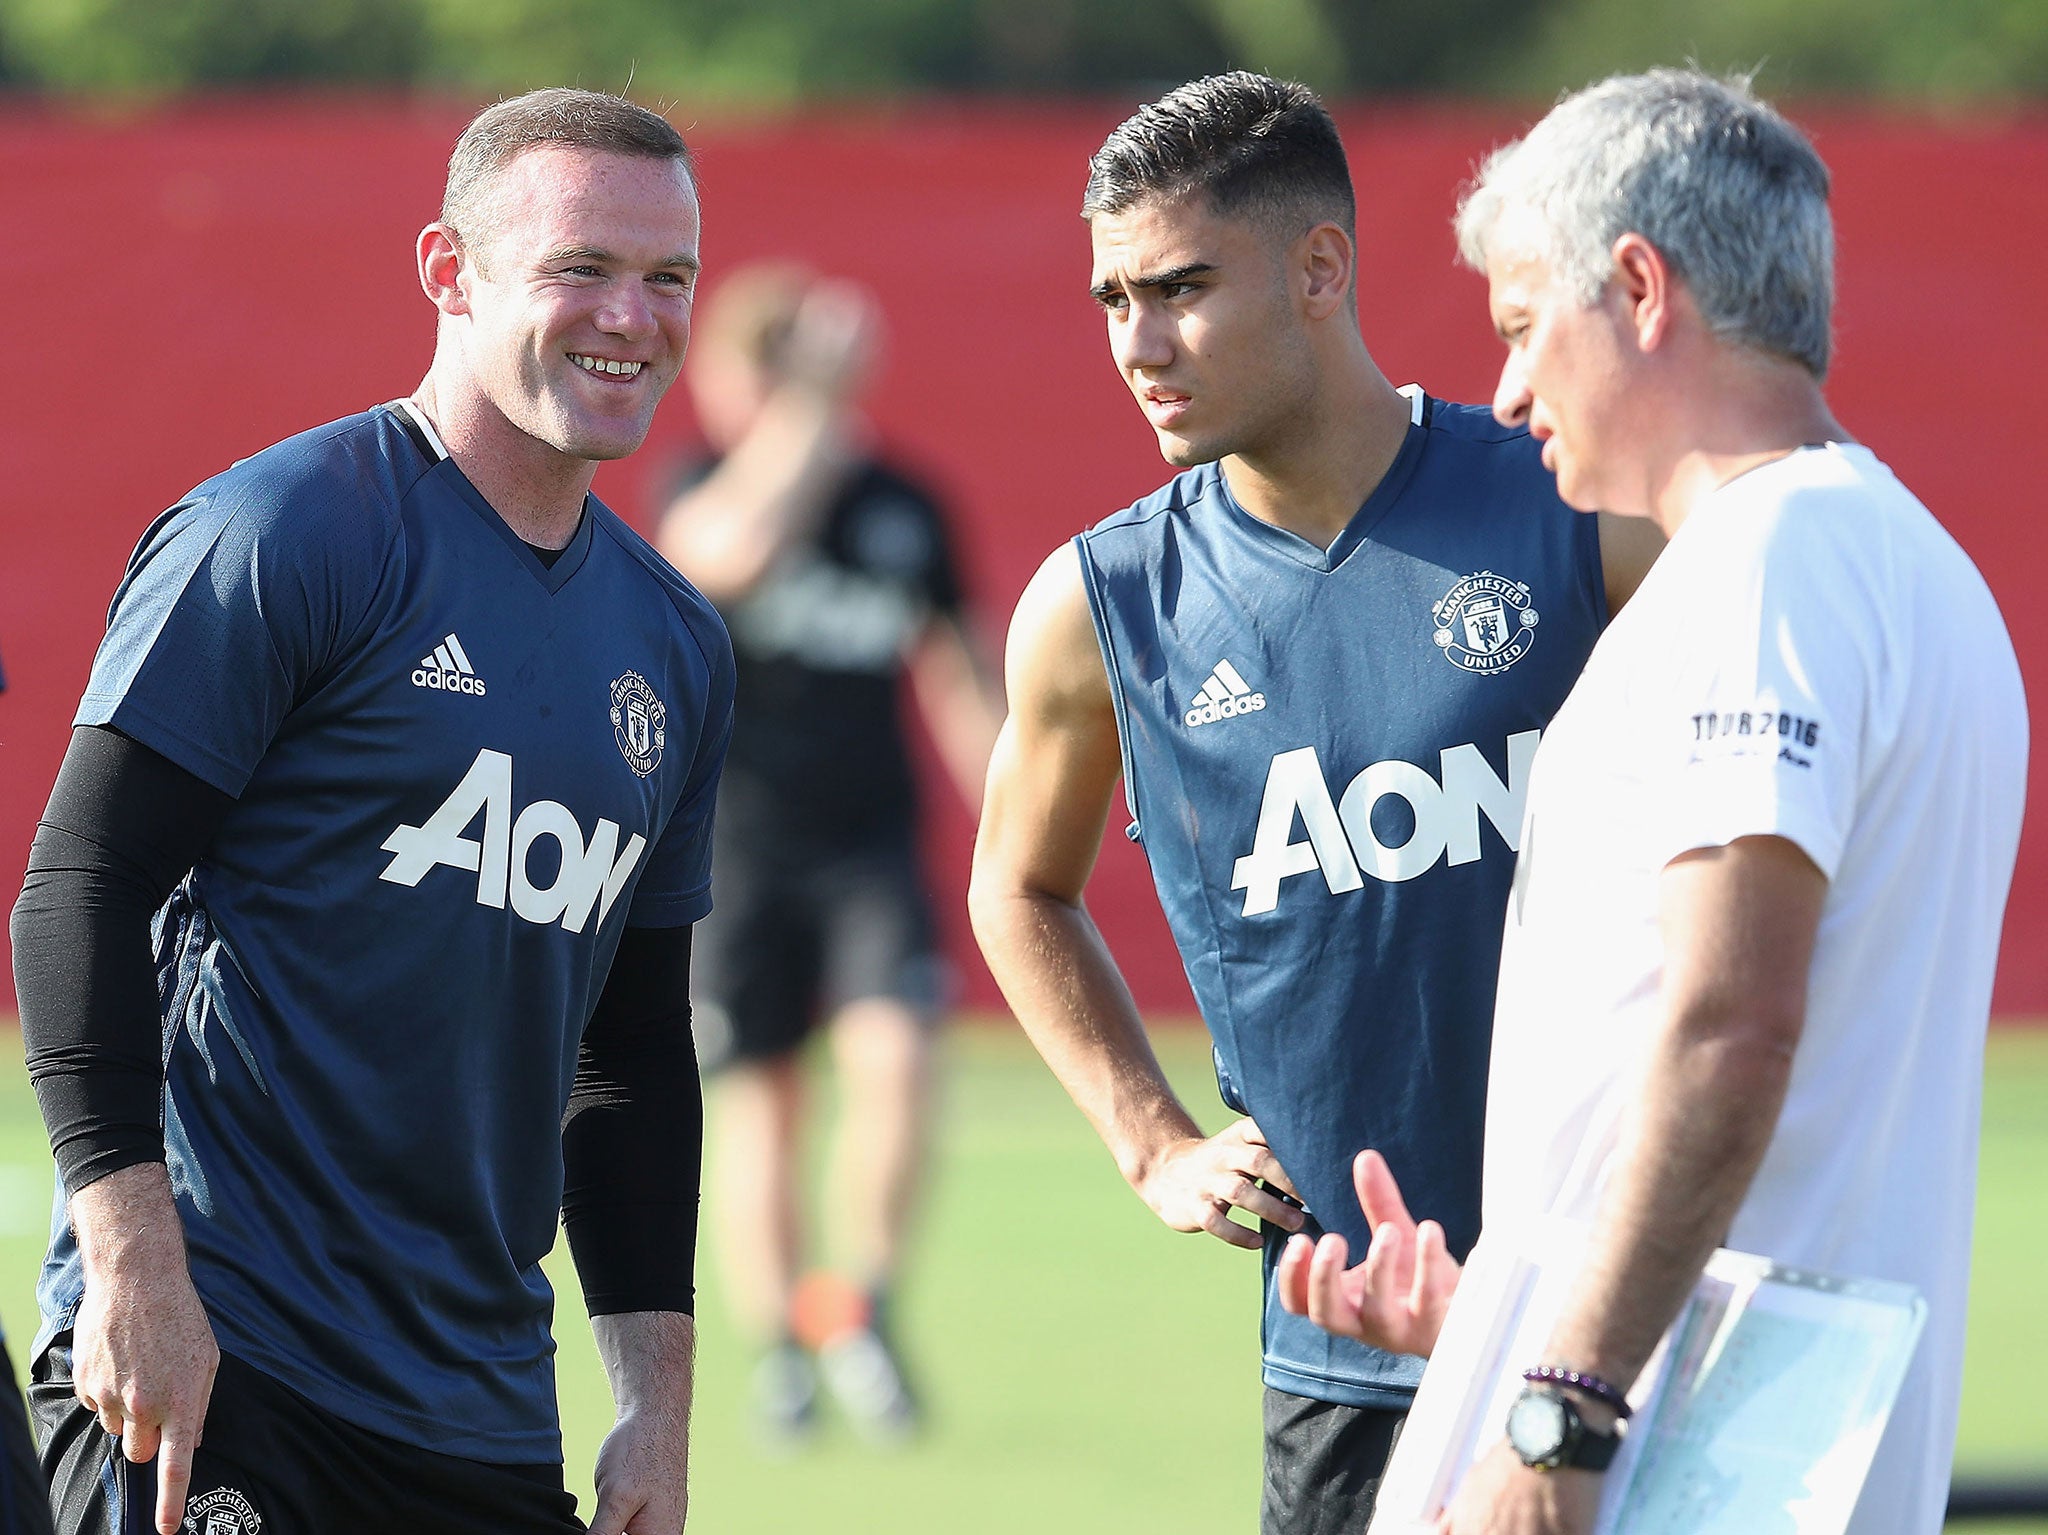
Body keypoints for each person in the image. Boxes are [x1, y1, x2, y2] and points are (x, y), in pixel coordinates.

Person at [1276, 68, 2027, 1535]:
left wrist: (1563, 1395)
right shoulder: (1910, 564)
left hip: (1666, 1470)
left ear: (1638, 285)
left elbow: (1730, 1023)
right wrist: (1503, 1309)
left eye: (1518, 323)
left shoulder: (1766, 568)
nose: (1502, 388)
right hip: (1744, 1439)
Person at [10, 88, 735, 1535]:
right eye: (581, 267)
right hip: (225, 1356)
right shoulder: (288, 530)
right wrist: (134, 1267)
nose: (632, 317)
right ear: (449, 272)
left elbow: (633, 1051)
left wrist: (655, 1403)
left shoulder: (676, 644)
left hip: (479, 1405)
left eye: (669, 278)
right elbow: (77, 886)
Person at [967, 72, 1662, 1532]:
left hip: (1621, 1309)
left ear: (1322, 268)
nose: (1137, 344)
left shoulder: (1575, 507)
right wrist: (1148, 1136)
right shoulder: (1102, 606)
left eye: (1180, 288)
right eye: (1112, 299)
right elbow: (1016, 887)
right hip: (1344, 1353)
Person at [656, 264, 1002, 1444]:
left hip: (868, 845)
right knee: (762, 1103)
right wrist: (808, 416)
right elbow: (727, 557)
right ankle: (783, 1346)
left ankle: (863, 1305)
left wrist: (1018, 828)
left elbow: (963, 671)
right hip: (735, 853)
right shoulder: (702, 483)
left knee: (896, 1065)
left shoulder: (903, 503)